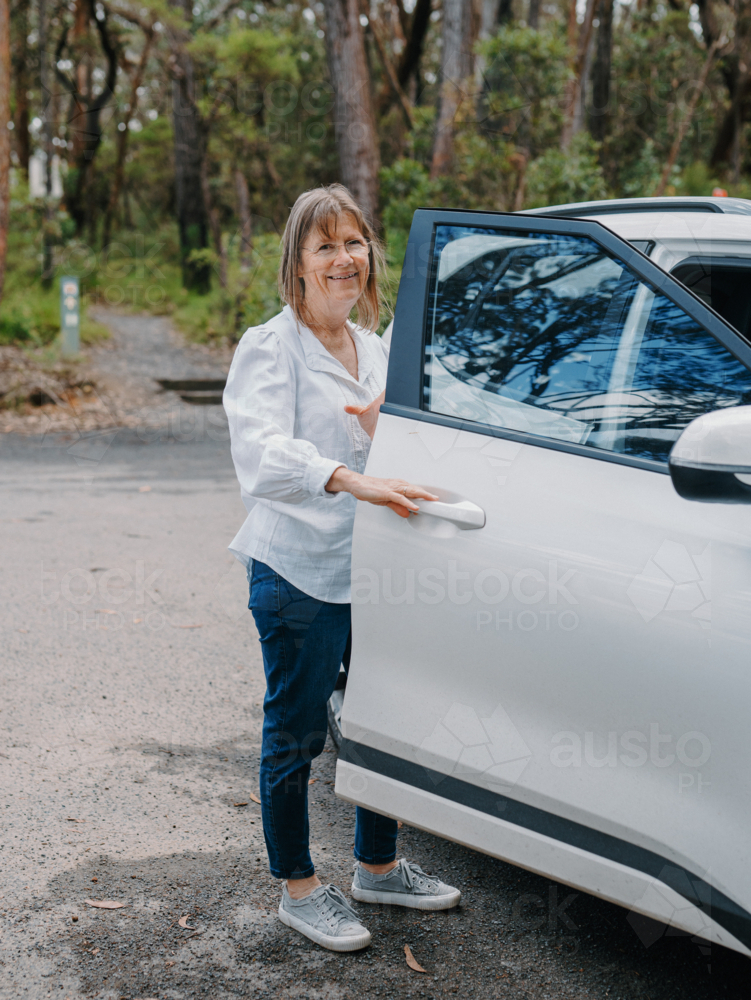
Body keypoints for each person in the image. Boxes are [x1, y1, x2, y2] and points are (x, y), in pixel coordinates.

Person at [223, 184, 461, 952]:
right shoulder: (272, 345)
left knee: (380, 716)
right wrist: (348, 475)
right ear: (297, 263)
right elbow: (258, 454)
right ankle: (298, 887)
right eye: (325, 246)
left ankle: (377, 867)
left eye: (354, 243)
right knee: (294, 733)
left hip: (377, 569)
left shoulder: (378, 345)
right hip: (297, 573)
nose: (343, 259)